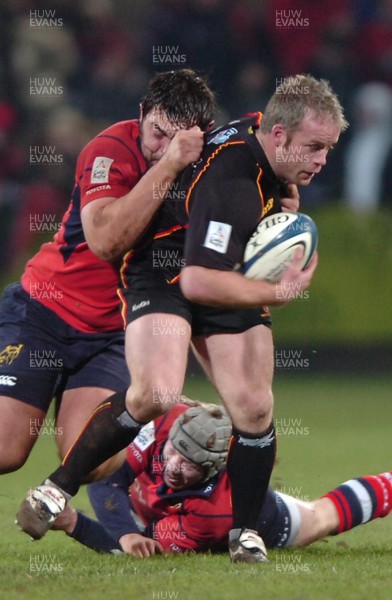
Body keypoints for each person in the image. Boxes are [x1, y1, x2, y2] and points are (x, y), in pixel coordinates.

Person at [17, 74, 348, 563]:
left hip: (220, 271)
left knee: (254, 408)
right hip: (166, 270)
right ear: (279, 137)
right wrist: (276, 291)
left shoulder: (265, 137)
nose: (322, 160)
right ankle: (54, 490)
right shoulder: (232, 184)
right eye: (315, 147)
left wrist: (284, 192)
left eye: (328, 148)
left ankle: (246, 534)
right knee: (156, 394)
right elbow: (197, 281)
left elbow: (260, 127)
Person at [0, 69, 213, 475]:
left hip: (113, 334)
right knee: (5, 451)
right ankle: (158, 426)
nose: (162, 147)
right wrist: (168, 166)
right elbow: (104, 241)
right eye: (156, 132)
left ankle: (152, 430)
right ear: (141, 114)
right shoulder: (110, 148)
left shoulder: (206, 169)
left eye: (177, 138)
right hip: (45, 311)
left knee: (91, 458)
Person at [49, 401, 392, 558]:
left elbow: (140, 545)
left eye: (190, 464)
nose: (174, 466)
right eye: (173, 452)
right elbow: (107, 478)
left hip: (267, 520)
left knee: (322, 517)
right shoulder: (169, 420)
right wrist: (123, 529)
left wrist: (73, 523)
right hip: (160, 502)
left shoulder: (211, 515)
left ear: (212, 468)